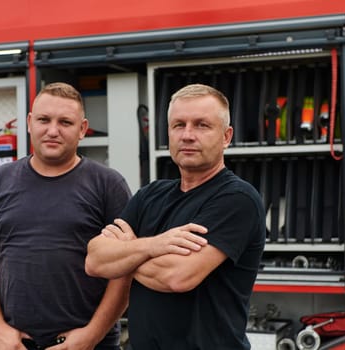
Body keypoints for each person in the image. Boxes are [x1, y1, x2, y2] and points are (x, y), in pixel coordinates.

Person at [85, 83, 265, 350]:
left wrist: (126, 253)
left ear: (226, 137)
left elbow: (177, 277)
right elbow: (94, 260)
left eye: (202, 125)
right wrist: (152, 245)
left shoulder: (237, 199)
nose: (187, 135)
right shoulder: (150, 195)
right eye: (178, 125)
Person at [0, 82, 132, 350]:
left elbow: (125, 271)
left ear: (82, 129)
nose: (53, 130)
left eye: (65, 122)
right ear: (30, 122)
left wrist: (90, 336)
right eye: (44, 120)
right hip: (14, 345)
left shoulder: (108, 185)